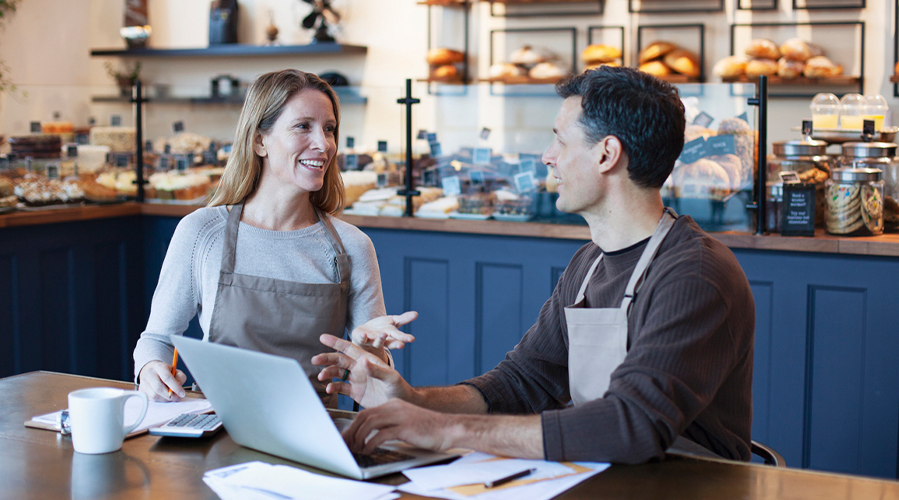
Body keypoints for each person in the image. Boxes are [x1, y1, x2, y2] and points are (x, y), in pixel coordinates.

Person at [312, 66, 755, 463]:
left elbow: (631, 425)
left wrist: (447, 431)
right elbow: (521, 384)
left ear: (607, 154)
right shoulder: (589, 264)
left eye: (560, 139)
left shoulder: (694, 275)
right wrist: (411, 400)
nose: (547, 155)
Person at [134, 69, 414, 405]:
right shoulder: (201, 233)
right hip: (218, 428)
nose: (323, 144)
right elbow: (158, 339)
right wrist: (151, 367)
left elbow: (375, 385)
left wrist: (370, 350)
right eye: (303, 126)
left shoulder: (352, 247)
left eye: (329, 129)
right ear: (259, 141)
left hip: (317, 435)